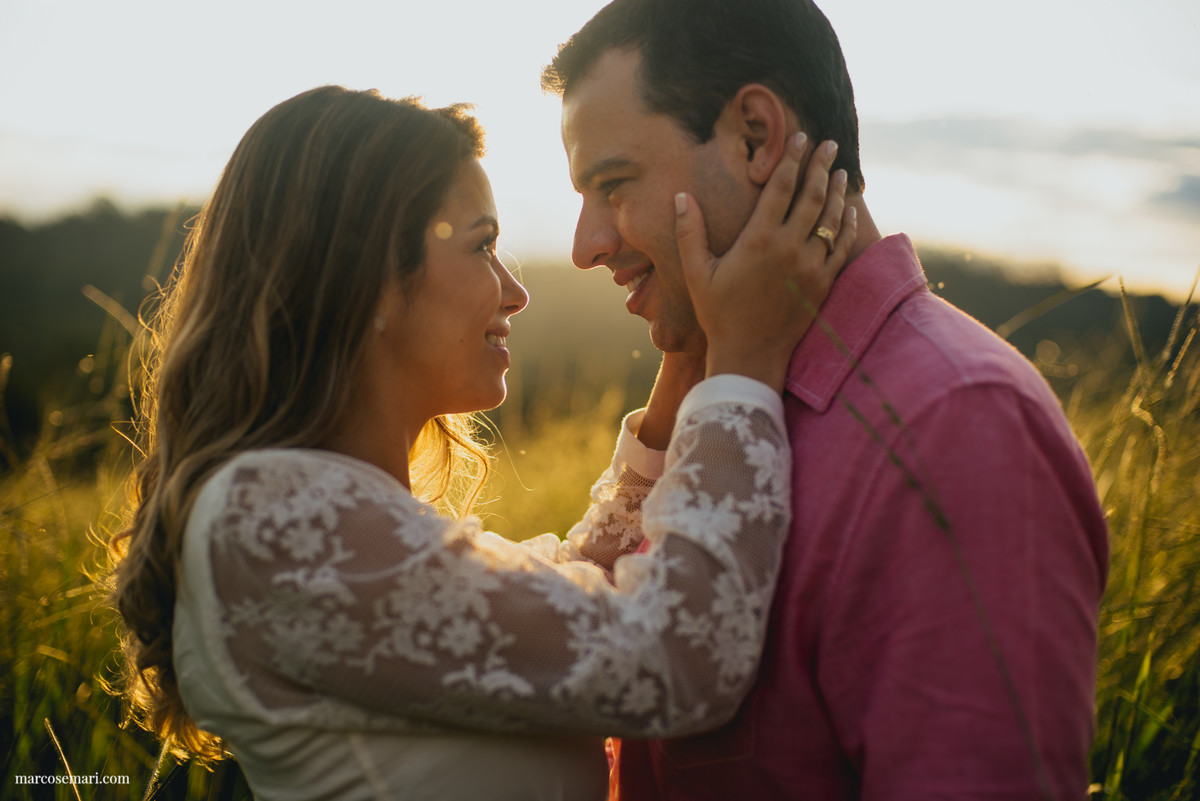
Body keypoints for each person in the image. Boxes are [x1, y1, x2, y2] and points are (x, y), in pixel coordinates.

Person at [108, 85, 856, 800]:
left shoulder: (314, 515)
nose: (515, 290)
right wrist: (744, 365)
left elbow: (570, 616)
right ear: (364, 277)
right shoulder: (271, 521)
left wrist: (690, 358)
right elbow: (678, 657)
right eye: (482, 245)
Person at [541, 1, 1109, 798]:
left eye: (613, 184)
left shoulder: (955, 426)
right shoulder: (726, 401)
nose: (586, 244)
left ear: (756, 137)